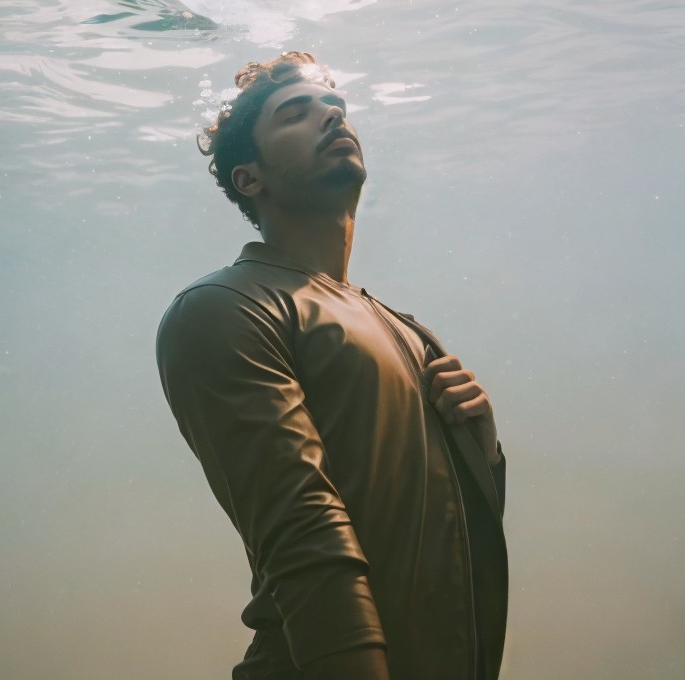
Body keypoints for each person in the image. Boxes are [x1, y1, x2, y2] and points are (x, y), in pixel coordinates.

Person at [156, 52, 508, 680]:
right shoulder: (225, 308)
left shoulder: (408, 331)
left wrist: (483, 457)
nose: (329, 112)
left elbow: (442, 545)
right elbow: (302, 535)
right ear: (249, 178)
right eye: (296, 112)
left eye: (334, 105)